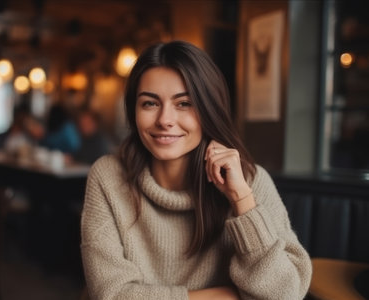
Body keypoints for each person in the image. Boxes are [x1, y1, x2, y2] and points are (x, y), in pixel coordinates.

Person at [80, 41, 312, 300]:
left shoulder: (250, 181)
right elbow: (111, 295)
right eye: (149, 103)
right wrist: (228, 297)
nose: (165, 120)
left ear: (209, 109)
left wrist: (241, 200)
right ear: (134, 110)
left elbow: (285, 294)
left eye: (184, 104)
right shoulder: (108, 176)